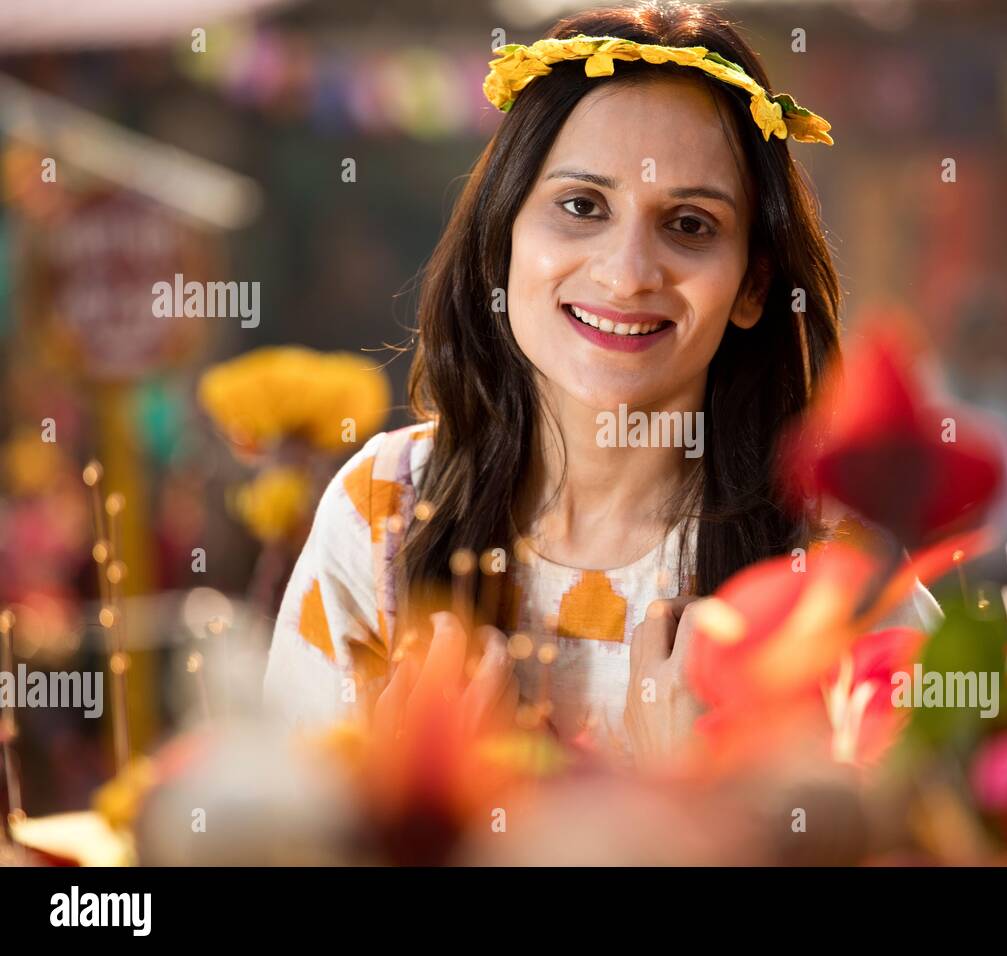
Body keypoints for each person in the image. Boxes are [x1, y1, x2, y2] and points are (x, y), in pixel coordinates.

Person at [264, 1, 940, 765]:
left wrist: (703, 797)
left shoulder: (832, 579)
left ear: (753, 285)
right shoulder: (382, 517)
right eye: (582, 207)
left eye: (689, 224)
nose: (626, 275)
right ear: (504, 234)